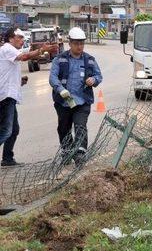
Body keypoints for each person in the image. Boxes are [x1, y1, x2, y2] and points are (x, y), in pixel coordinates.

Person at [0, 29, 57, 167]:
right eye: (19, 37)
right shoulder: (7, 48)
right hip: (6, 97)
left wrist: (19, 81)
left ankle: (7, 158)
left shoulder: (9, 51)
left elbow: (5, 74)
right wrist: (41, 50)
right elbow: (25, 57)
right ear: (10, 38)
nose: (22, 40)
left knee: (14, 130)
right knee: (6, 130)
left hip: (10, 96)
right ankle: (7, 158)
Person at [49, 27, 103, 164]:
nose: (79, 46)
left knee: (80, 126)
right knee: (63, 128)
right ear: (70, 43)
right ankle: (67, 153)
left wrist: (94, 80)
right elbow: (53, 77)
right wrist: (60, 89)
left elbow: (98, 75)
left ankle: (80, 154)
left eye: (82, 43)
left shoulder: (90, 60)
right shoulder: (59, 60)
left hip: (82, 101)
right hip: (63, 102)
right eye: (76, 43)